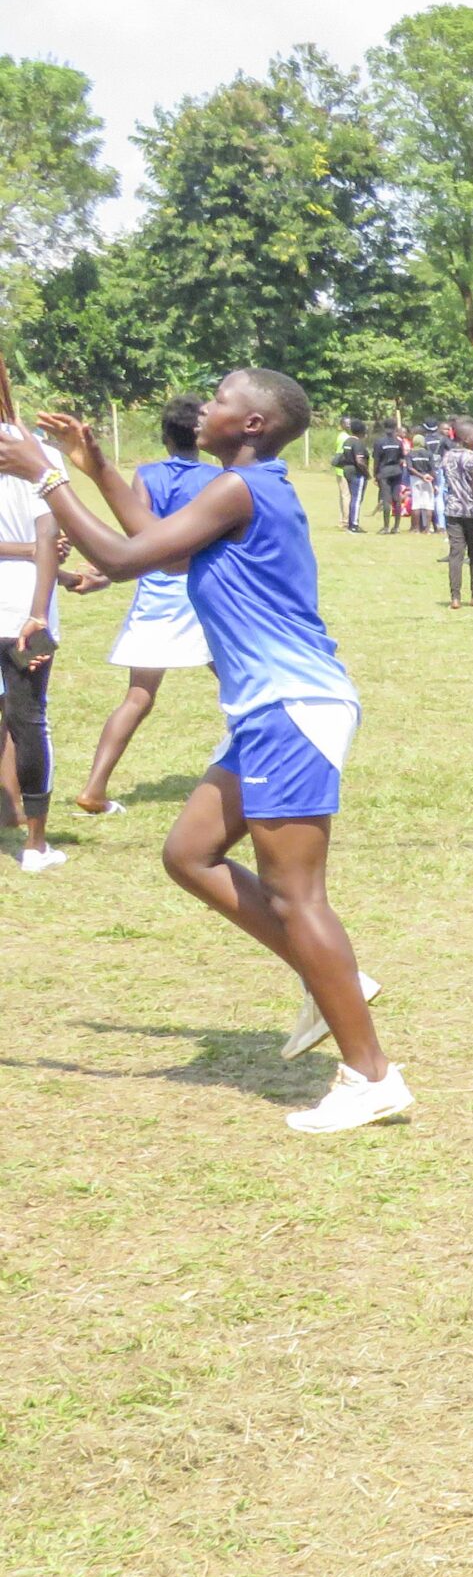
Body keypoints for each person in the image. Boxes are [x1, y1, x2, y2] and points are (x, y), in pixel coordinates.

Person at [2, 376, 407, 1132]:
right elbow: (158, 551)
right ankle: (333, 978)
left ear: (251, 423)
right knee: (189, 853)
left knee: (296, 897)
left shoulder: (240, 489)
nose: (202, 408)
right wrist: (97, 468)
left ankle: (371, 1076)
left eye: (218, 399)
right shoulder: (242, 490)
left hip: (290, 705)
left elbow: (123, 557)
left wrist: (46, 477)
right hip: (267, 709)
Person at [74, 396, 216, 817]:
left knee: (138, 696)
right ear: (201, 436)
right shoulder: (218, 479)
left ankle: (94, 788)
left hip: (155, 593)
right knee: (240, 684)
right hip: (202, 592)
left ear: (164, 436)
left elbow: (138, 538)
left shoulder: (147, 475)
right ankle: (261, 771)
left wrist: (106, 574)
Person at [1, 421, 68, 872]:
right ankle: (35, 846)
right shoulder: (39, 453)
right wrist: (39, 612)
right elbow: (48, 536)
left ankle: (10, 813)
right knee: (28, 721)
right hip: (22, 609)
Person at [436, 420, 473, 608]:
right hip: (472, 512)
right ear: (466, 438)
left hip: (452, 511)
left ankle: (455, 597)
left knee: (455, 554)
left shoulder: (447, 456)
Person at [331, 417, 370, 532]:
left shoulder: (347, 441)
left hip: (346, 470)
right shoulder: (358, 443)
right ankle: (354, 524)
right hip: (356, 472)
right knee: (356, 499)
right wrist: (366, 473)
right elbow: (359, 460)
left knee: (352, 497)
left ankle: (349, 522)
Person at [370, 418, 406, 533]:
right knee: (397, 498)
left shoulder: (379, 442)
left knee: (386, 499)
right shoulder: (398, 442)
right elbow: (402, 458)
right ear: (395, 428)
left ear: (384, 427)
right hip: (396, 471)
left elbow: (376, 460)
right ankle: (396, 527)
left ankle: (386, 527)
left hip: (384, 472)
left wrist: (375, 474)